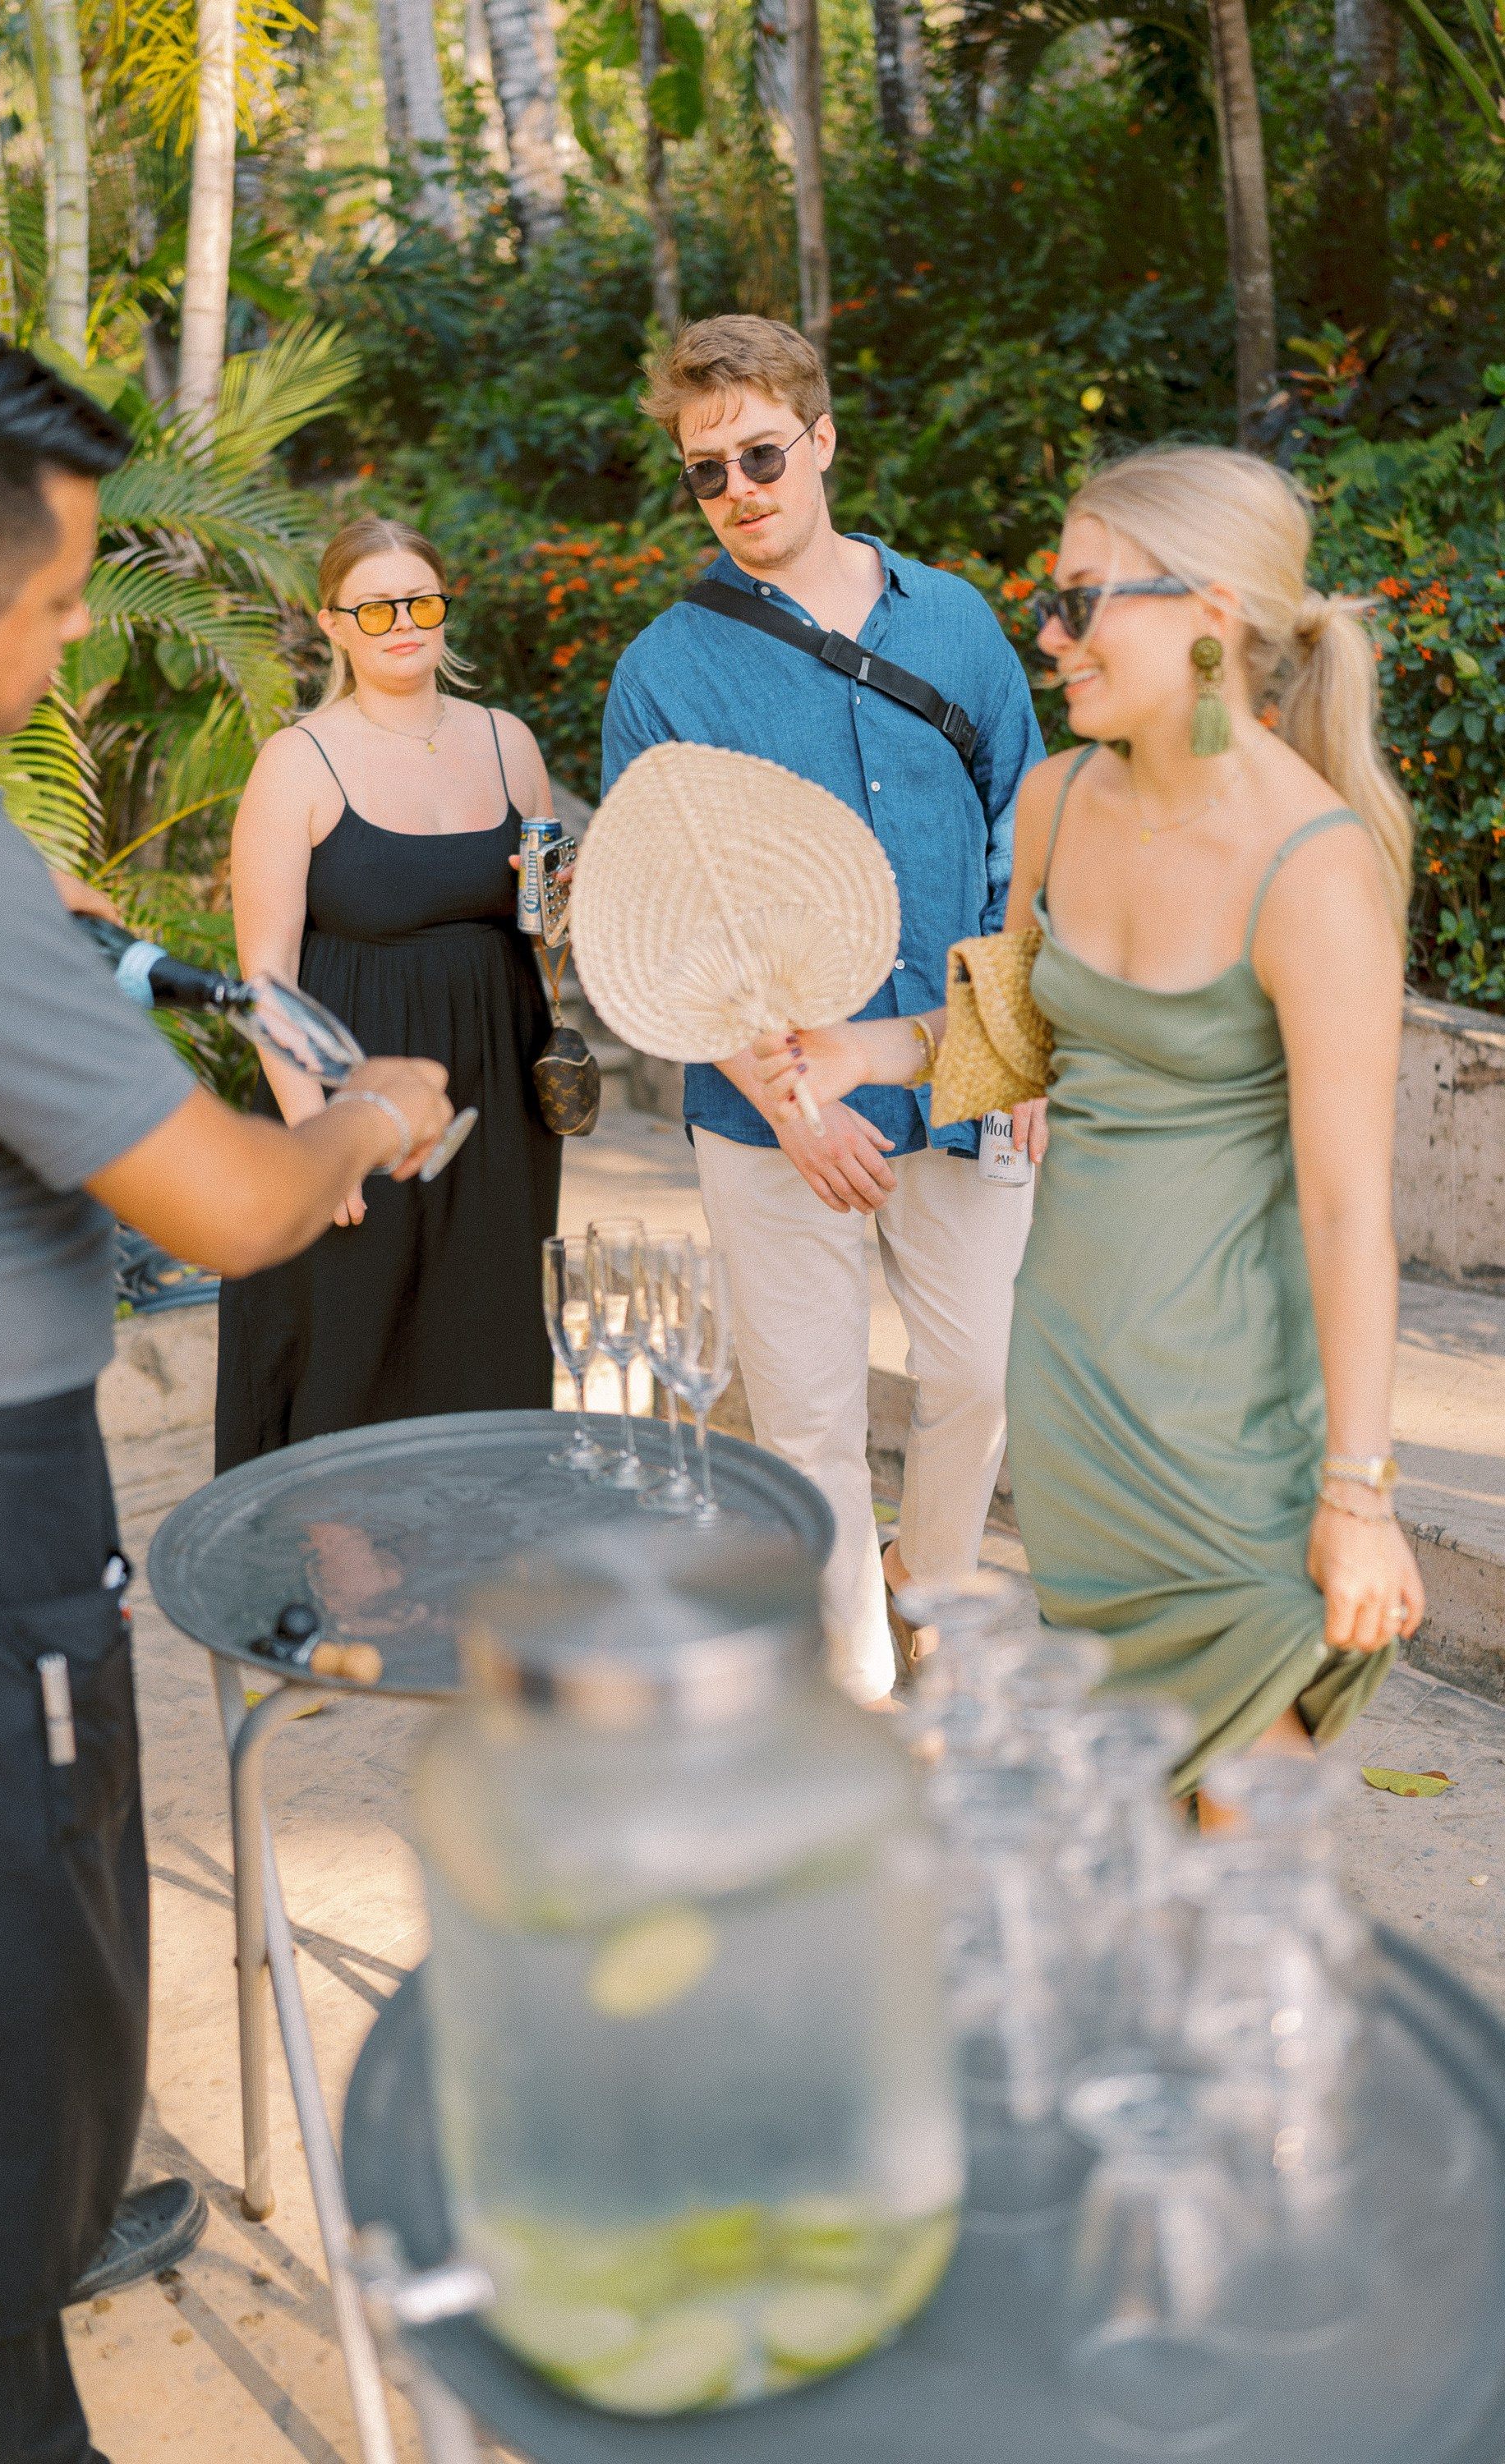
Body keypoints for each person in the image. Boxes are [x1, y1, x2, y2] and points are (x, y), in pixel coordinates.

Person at [0, 317, 451, 2463]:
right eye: (41, 609)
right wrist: (366, 1122)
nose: (52, 656)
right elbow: (220, 1207)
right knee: (0, 2023)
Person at [752, 443, 1422, 1791]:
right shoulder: (1056, 802)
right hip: (1070, 1395)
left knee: (1249, 1848)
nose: (1048, 638)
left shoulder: (1317, 867)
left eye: (1083, 601)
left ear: (1214, 618)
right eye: (1050, 604)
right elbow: (1005, 1043)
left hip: (1234, 1423)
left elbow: (1352, 1216)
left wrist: (1358, 1493)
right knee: (1130, 1840)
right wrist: (852, 1047)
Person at [602, 315, 1043, 1706]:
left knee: (980, 1376)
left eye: (762, 455)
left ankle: (932, 1579)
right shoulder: (662, 672)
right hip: (763, 1103)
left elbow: (1019, 835)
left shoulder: (955, 622)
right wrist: (793, 1107)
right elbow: (655, 907)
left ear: (824, 442)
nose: (739, 490)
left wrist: (1016, 1041)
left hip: (955, 1065)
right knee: (809, 1424)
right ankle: (857, 1696)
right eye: (708, 472)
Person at [214, 515, 562, 1471]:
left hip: (495, 1089)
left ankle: (482, 1569)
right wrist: (314, 1135)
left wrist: (567, 898)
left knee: (486, 1330)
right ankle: (339, 1592)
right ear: (332, 625)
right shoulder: (299, 761)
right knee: (351, 1342)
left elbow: (542, 922)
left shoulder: (508, 744)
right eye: (375, 609)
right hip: (351, 1090)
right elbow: (265, 977)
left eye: (421, 602)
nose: (402, 624)